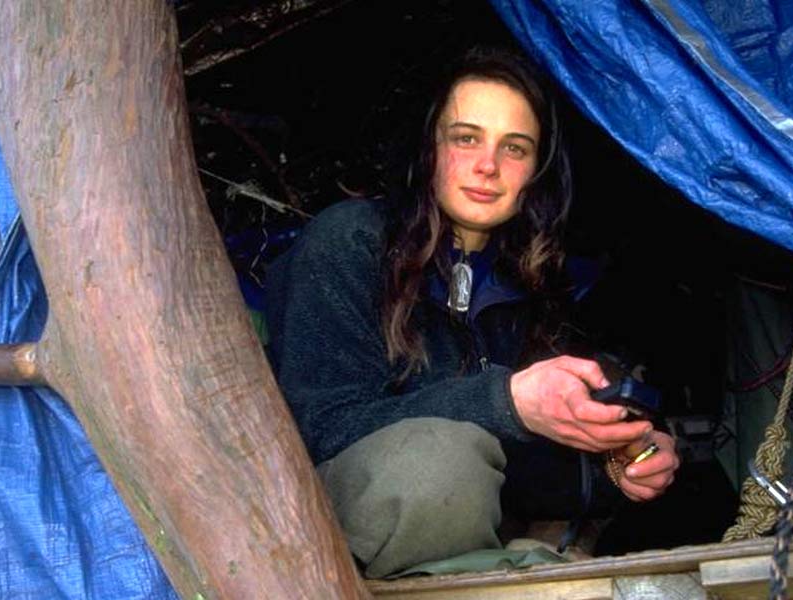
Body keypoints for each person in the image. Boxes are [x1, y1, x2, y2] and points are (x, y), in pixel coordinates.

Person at [266, 46, 680, 578]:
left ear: (536, 172)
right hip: (329, 533)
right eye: (466, 138)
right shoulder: (349, 242)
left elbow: (511, 466)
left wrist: (617, 466)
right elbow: (318, 428)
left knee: (467, 464)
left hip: (470, 532)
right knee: (441, 461)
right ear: (429, 148)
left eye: (515, 148)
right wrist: (507, 401)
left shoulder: (532, 282)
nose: (488, 166)